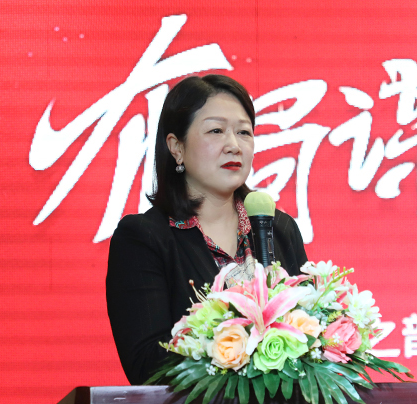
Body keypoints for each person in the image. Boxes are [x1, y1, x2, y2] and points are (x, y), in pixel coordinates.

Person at [106, 75, 308, 385]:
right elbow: (146, 366)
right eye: (216, 131)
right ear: (177, 147)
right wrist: (238, 345)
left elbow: (311, 332)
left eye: (244, 132)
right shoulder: (144, 238)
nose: (234, 145)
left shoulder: (278, 228)